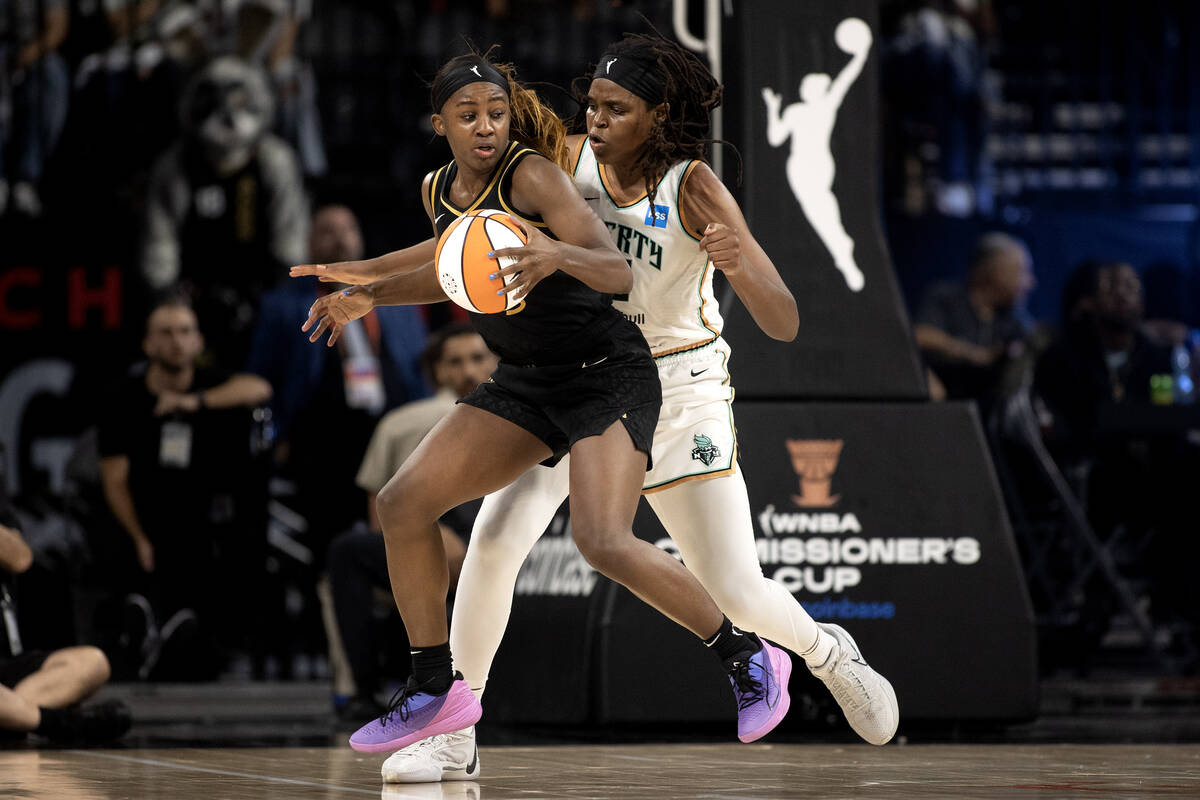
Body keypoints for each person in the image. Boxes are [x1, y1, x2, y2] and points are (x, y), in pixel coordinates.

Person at [372, 32, 901, 783]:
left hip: (679, 388)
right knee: (494, 541)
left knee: (733, 588)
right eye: (591, 104)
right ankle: (457, 732)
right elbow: (470, 243)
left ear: (657, 116)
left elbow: (782, 320)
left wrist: (740, 262)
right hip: (577, 379)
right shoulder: (561, 163)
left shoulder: (693, 185)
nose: (595, 118)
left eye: (616, 108)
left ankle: (825, 653)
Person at [294, 49, 786, 758]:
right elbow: (451, 273)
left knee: (601, 539)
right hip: (527, 379)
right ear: (441, 125)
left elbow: (615, 269)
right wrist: (369, 291)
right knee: (400, 504)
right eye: (468, 116)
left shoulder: (530, 174)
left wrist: (554, 254)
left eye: (496, 112)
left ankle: (746, 656)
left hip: (605, 373)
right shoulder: (439, 189)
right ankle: (436, 687)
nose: (486, 126)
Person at [327, 322, 497, 721]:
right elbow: (381, 511)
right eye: (455, 362)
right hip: (438, 529)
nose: (468, 371)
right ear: (437, 371)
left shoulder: (517, 417)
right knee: (351, 552)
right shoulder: (403, 424)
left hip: (497, 532)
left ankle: (380, 687)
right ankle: (369, 689)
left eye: (477, 358)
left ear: (496, 361)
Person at [97, 296, 273, 679]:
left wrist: (194, 403)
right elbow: (114, 480)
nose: (177, 341)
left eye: (185, 332)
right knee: (126, 560)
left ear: (197, 342)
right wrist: (138, 537)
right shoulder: (121, 398)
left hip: (202, 522)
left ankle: (201, 641)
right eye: (166, 333)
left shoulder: (211, 384)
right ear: (148, 344)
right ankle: (140, 639)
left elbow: (258, 388)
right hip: (142, 519)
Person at [1, 516, 131, 744]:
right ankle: (54, 722)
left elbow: (20, 558)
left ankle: (12, 719)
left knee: (93, 662)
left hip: (7, 673)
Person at [913, 231, 1035, 406]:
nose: (1029, 282)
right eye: (1021, 272)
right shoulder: (945, 298)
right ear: (994, 270)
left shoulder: (1017, 321)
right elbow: (919, 335)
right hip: (941, 400)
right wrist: (975, 355)